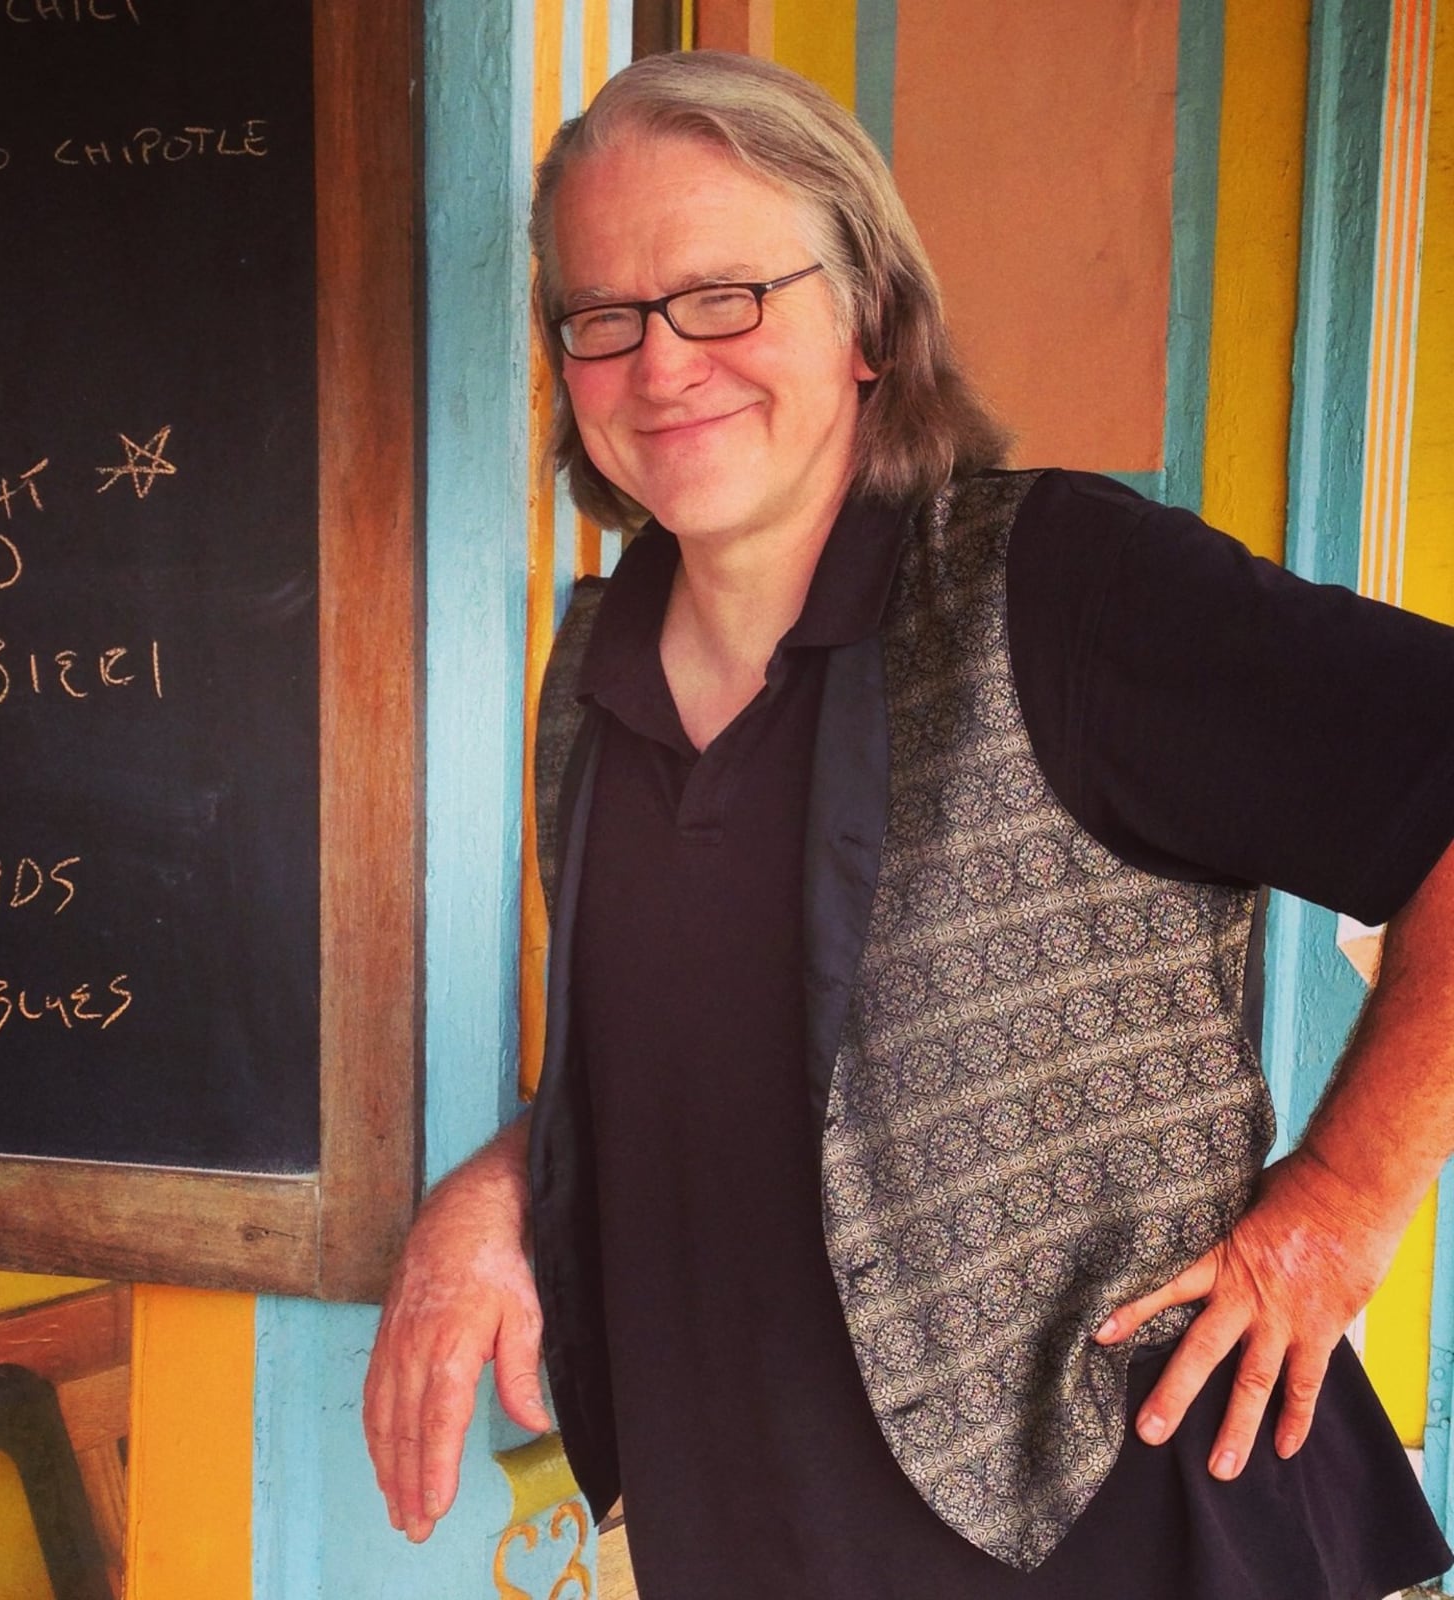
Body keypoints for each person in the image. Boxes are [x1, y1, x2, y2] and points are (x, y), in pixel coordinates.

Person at [366, 49, 1454, 1598]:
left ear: (870, 317)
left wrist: (1340, 1215)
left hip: (1127, 1537)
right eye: (602, 317)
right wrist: (501, 1182)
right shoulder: (592, 681)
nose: (662, 364)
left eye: (726, 295)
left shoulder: (1061, 590)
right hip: (744, 1536)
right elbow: (750, 1064)